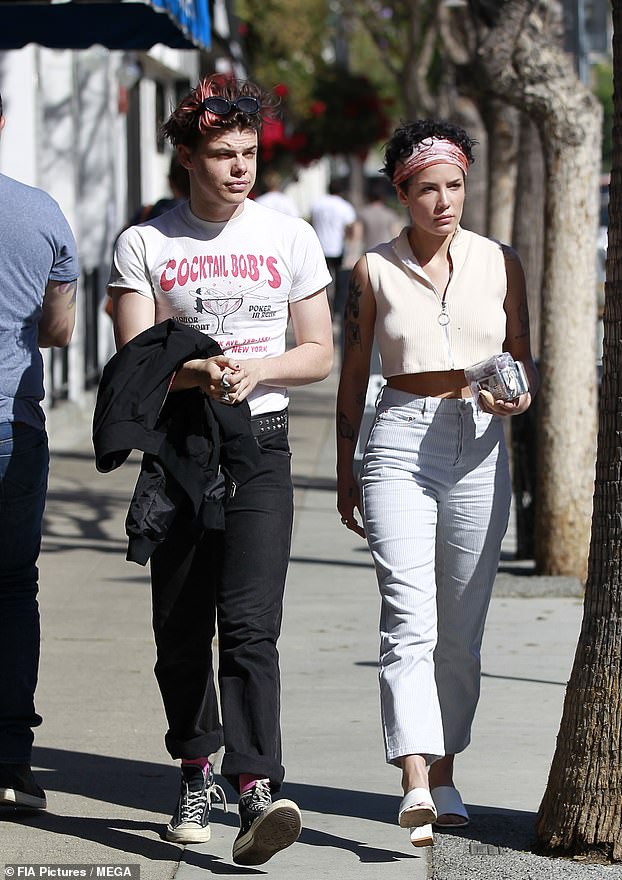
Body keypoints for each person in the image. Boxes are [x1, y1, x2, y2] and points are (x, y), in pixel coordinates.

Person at [107, 74, 333, 866]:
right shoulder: (147, 242)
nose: (240, 168)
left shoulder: (288, 235)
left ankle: (256, 786)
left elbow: (318, 351)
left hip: (260, 447)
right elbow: (138, 358)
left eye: (249, 154)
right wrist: (205, 374)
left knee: (249, 627)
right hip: (178, 452)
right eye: (223, 155)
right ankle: (196, 769)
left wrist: (258, 367)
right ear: (187, 156)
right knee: (180, 628)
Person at [336, 120, 539, 848]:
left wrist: (519, 394)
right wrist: (344, 470)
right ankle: (414, 777)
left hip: (480, 445)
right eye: (428, 189)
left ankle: (448, 771)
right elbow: (354, 378)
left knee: (461, 631)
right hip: (397, 441)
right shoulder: (371, 271)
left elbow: (522, 357)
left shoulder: (500, 262)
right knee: (409, 617)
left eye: (454, 185)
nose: (444, 201)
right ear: (403, 193)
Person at [0, 91, 79, 811]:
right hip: (12, 424)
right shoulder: (40, 213)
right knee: (11, 589)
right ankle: (11, 764)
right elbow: (58, 330)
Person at [310, 178, 357, 317]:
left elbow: (311, 222)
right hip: (337, 248)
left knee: (320, 281)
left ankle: (324, 308)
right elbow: (351, 228)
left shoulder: (317, 204)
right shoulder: (344, 206)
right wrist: (350, 245)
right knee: (338, 281)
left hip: (319, 247)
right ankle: (336, 310)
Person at [357, 177, 402, 251]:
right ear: (383, 196)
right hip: (386, 254)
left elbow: (357, 236)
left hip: (368, 253)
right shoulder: (390, 214)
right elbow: (397, 235)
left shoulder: (363, 213)